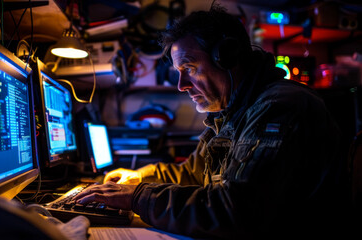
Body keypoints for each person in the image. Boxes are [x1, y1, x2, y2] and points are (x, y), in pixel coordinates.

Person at [74, 5, 352, 239]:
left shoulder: (279, 108)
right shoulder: (231, 113)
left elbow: (235, 212)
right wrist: (140, 178)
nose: (182, 85)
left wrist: (138, 197)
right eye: (178, 73)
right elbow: (194, 173)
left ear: (228, 57)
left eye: (190, 68)